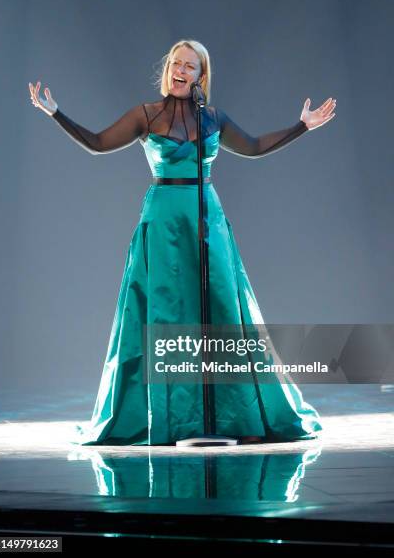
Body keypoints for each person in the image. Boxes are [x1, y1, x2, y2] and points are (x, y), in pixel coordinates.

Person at [29, 39, 336, 446]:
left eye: (190, 66)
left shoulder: (214, 118)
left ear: (200, 76)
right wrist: (55, 114)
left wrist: (302, 126)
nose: (181, 70)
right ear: (167, 69)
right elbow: (98, 143)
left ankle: (231, 416)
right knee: (164, 314)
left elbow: (255, 147)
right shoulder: (147, 115)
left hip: (206, 217)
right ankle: (166, 418)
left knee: (223, 311)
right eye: (176, 63)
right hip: (163, 221)